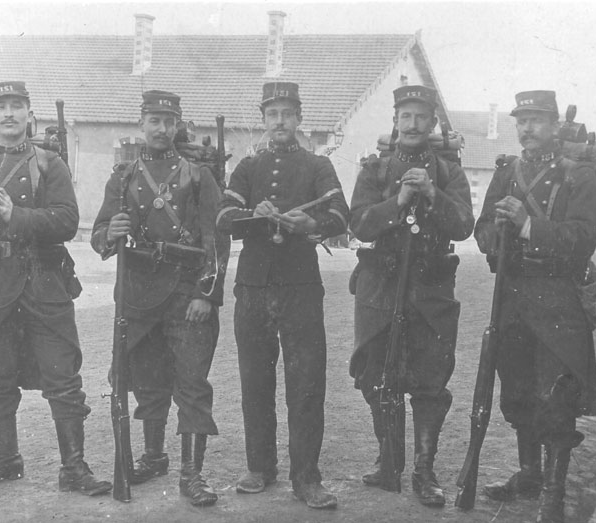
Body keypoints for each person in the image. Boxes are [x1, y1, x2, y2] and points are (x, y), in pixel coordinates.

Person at [0, 81, 111, 496]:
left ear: (29, 115)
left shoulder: (49, 164)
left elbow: (67, 221)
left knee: (63, 379)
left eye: (17, 106)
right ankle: (7, 460)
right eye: (1, 107)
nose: (9, 114)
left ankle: (74, 468)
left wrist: (15, 214)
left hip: (43, 285)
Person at [90, 90, 229, 507]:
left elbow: (217, 238)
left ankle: (192, 474)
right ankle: (154, 458)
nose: (161, 129)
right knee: (146, 382)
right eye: (154, 120)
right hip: (137, 297)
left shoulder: (198, 175)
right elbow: (99, 236)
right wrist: (109, 234)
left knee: (191, 383)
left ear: (178, 125)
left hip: (187, 295)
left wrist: (208, 294)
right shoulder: (122, 178)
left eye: (169, 122)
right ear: (141, 123)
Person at [216, 81, 348, 509]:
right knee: (255, 379)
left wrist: (310, 225)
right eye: (272, 114)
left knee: (306, 382)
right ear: (263, 119)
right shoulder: (248, 167)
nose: (279, 122)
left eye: (287, 114)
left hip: (300, 287)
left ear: (299, 118)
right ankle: (260, 467)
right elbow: (224, 216)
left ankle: (307, 478)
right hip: (253, 286)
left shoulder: (317, 166)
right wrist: (253, 214)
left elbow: (339, 215)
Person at [475, 90, 596, 523]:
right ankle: (529, 474)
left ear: (554, 127)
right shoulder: (507, 171)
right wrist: (496, 237)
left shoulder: (577, 175)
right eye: (522, 121)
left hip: (557, 299)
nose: (528, 129)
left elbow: (584, 237)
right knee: (517, 391)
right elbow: (482, 227)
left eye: (537, 121)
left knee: (556, 397)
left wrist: (529, 226)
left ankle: (553, 492)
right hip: (512, 297)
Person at [348, 85, 474, 507]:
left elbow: (463, 227)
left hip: (430, 289)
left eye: (422, 116)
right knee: (375, 373)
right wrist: (398, 200)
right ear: (396, 121)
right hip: (380, 289)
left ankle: (423, 468)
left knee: (429, 379)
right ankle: (389, 461)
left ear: (433, 123)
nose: (414, 123)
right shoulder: (376, 170)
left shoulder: (448, 172)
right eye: (406, 116)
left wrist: (433, 195)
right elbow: (359, 225)